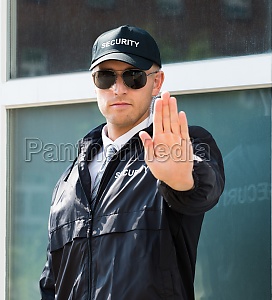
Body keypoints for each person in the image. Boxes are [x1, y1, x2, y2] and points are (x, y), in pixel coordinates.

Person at [39, 25, 225, 300]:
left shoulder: (186, 144)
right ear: (94, 83)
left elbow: (203, 189)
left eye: (133, 76)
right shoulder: (70, 181)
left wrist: (180, 176)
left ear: (157, 82)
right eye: (105, 77)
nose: (118, 88)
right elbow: (52, 284)